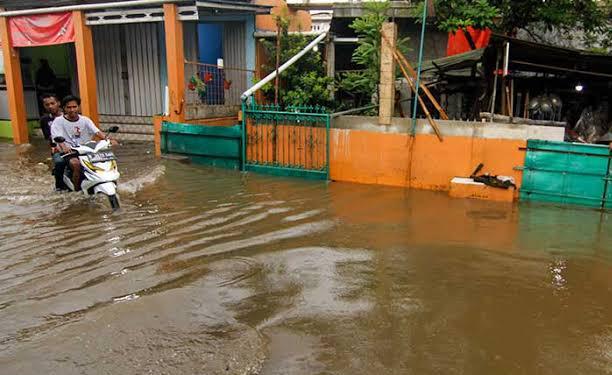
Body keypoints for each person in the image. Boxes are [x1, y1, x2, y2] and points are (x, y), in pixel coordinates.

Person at [50, 95, 110, 191]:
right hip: (68, 152)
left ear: (78, 107)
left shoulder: (85, 120)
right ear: (64, 108)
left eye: (74, 107)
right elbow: (57, 137)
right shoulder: (58, 121)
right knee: (75, 164)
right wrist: (64, 146)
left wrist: (108, 139)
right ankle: (74, 189)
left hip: (85, 150)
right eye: (69, 107)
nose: (72, 109)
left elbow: (97, 131)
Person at [39, 94, 66, 190]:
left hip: (74, 146)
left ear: (58, 103)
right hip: (57, 148)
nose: (50, 106)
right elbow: (49, 137)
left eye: (52, 103)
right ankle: (59, 187)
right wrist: (54, 146)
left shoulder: (68, 116)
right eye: (47, 105)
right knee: (59, 162)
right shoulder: (44, 120)